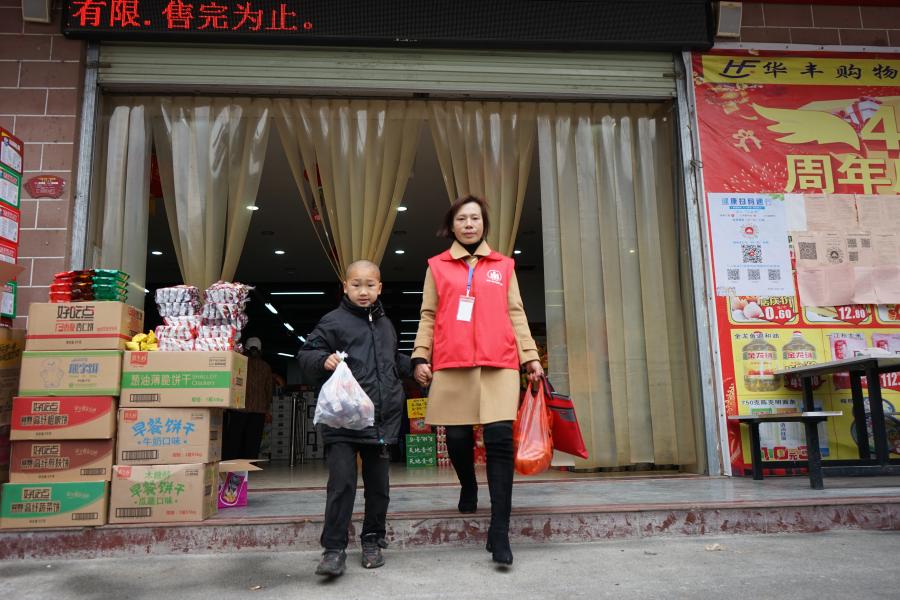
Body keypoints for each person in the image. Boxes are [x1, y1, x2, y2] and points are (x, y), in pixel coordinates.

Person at [412, 195, 543, 566]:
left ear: (484, 224)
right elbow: (428, 314)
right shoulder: (437, 266)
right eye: (461, 219)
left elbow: (516, 312)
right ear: (451, 225)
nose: (469, 224)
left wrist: (530, 356)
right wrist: (420, 355)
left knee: (499, 439)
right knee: (456, 437)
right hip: (452, 362)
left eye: (475, 218)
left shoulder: (503, 265)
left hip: (499, 362)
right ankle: (468, 484)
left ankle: (499, 529)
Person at [297, 260, 411, 577]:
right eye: (356, 285)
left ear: (380, 288)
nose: (363, 291)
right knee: (342, 485)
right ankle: (334, 550)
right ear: (345, 287)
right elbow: (306, 354)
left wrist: (414, 366)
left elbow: (390, 361)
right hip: (343, 422)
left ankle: (372, 540)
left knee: (379, 488)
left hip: (378, 421)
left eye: (370, 285)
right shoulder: (333, 321)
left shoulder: (386, 325)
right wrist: (323, 359)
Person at [222, 337, 272, 460]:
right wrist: (266, 408)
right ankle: (250, 466)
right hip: (258, 411)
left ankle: (231, 464)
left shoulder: (238, 363)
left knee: (234, 440)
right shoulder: (266, 367)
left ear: (245, 349)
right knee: (253, 442)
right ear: (260, 350)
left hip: (239, 408)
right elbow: (269, 390)